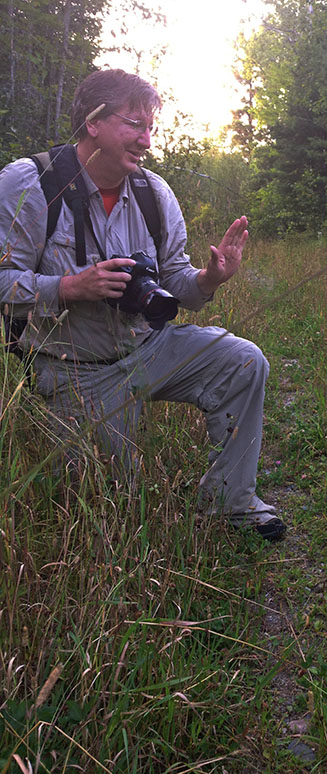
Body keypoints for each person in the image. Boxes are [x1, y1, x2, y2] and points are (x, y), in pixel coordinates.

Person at [0, 68, 286, 542]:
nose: (147, 140)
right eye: (135, 124)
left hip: (149, 346)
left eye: (150, 127)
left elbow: (175, 281)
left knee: (243, 361)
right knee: (115, 509)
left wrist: (209, 278)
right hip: (75, 367)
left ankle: (232, 502)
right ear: (94, 122)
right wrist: (68, 287)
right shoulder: (31, 184)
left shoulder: (154, 193)